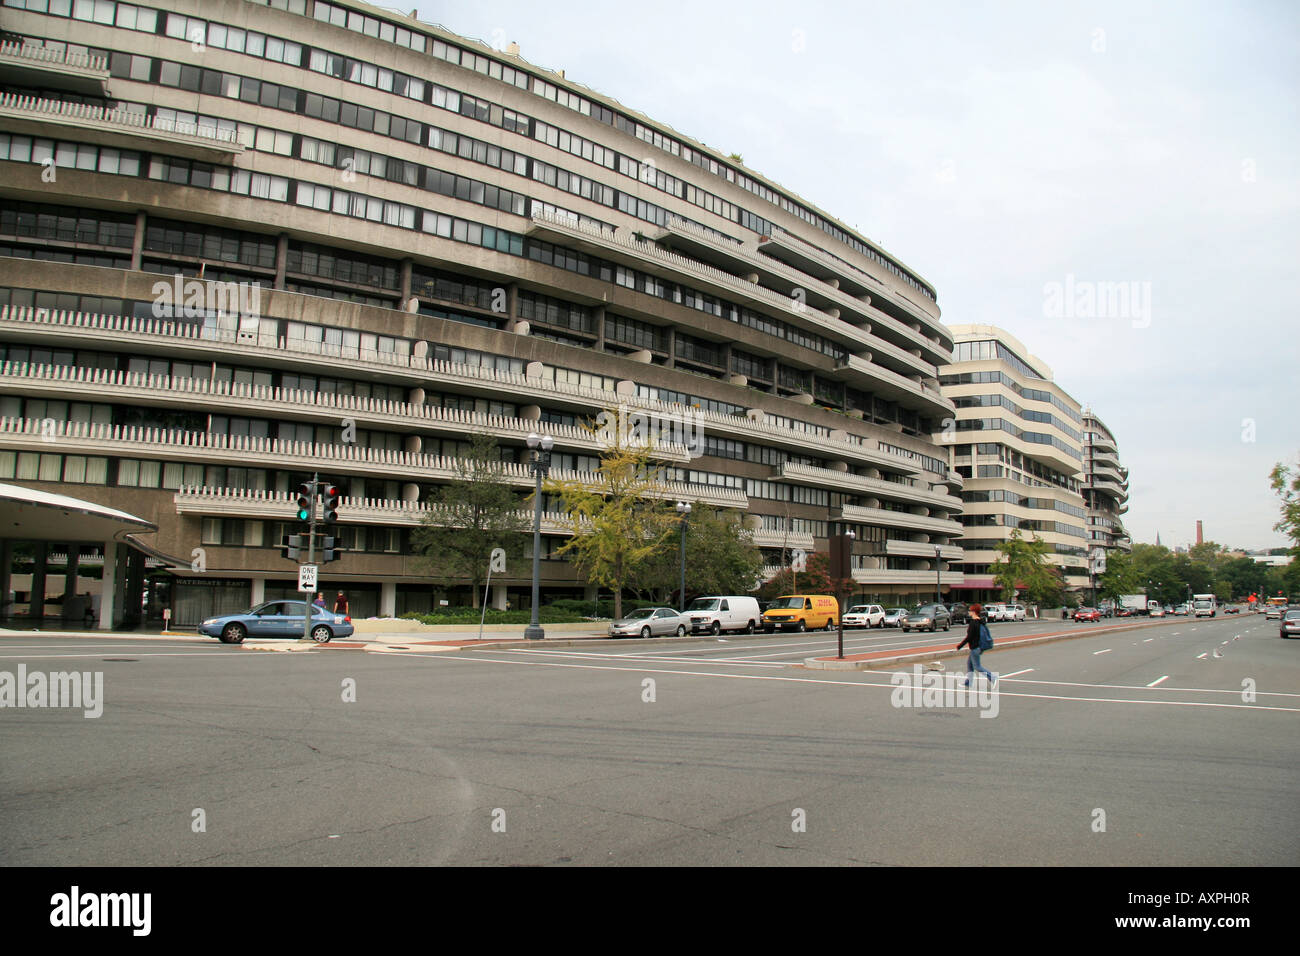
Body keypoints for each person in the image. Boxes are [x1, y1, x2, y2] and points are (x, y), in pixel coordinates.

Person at [956, 604, 996, 688]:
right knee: (970, 665)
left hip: (975, 648)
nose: (969, 612)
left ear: (974, 612)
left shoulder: (973, 623)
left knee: (977, 667)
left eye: (970, 610)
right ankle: (968, 682)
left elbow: (969, 637)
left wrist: (960, 646)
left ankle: (992, 678)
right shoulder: (980, 621)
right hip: (978, 647)